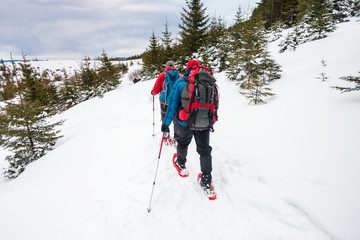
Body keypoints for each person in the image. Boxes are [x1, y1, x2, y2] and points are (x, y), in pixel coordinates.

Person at [161, 59, 214, 191]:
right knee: (204, 150)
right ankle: (206, 180)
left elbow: (172, 105)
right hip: (204, 122)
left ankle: (181, 163)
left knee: (182, 142)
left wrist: (165, 123)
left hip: (183, 122)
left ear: (188, 69)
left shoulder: (181, 82)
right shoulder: (209, 82)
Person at [151, 61, 180, 140]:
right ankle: (177, 137)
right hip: (175, 102)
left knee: (164, 116)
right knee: (176, 119)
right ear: (174, 66)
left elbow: (156, 90)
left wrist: (152, 92)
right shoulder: (179, 76)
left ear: (166, 67)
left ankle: (166, 133)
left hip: (164, 103)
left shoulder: (162, 76)